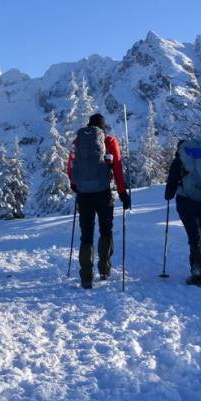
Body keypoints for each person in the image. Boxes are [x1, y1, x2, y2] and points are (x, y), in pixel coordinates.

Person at [67, 113, 131, 289]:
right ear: (103, 128)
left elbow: (70, 166)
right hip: (103, 193)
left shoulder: (78, 142)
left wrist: (75, 184)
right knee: (106, 230)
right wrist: (123, 192)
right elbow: (117, 166)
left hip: (84, 194)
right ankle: (104, 269)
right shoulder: (109, 141)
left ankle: (86, 277)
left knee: (86, 235)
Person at [164, 139, 201, 286]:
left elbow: (170, 189)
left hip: (187, 202)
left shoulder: (179, 161)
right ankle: (198, 268)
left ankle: (198, 273)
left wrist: (170, 194)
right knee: (200, 234)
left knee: (194, 236)